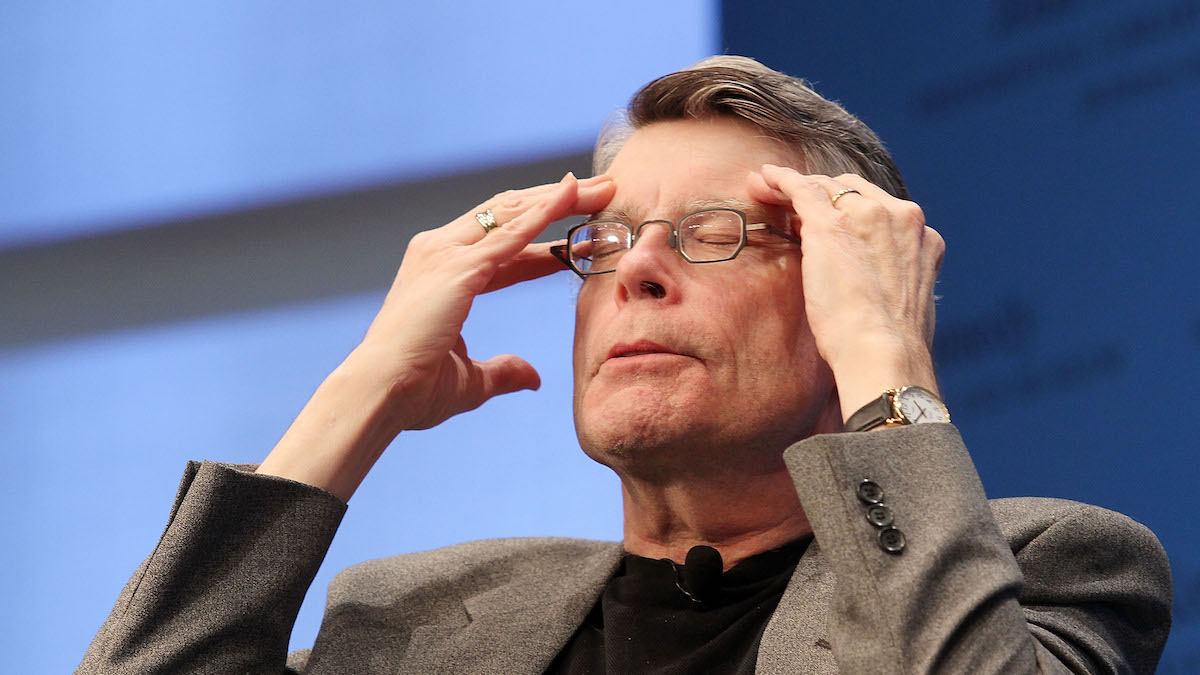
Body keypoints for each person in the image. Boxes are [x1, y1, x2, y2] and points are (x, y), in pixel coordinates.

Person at [77, 56, 1171, 674]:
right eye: (605, 246)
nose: (635, 274)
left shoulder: (1059, 568)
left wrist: (883, 351)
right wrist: (361, 393)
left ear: (848, 289)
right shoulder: (405, 621)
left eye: (714, 233)